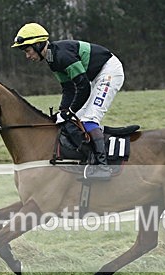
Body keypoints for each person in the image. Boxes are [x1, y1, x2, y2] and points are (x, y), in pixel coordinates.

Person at [11, 22, 124, 179]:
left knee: (89, 119)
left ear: (38, 45)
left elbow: (83, 87)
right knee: (74, 120)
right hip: (93, 77)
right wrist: (63, 112)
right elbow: (69, 89)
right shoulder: (52, 60)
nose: (27, 56)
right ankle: (88, 158)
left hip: (109, 71)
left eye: (28, 51)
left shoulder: (62, 56)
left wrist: (69, 111)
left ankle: (103, 167)